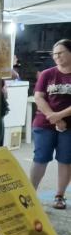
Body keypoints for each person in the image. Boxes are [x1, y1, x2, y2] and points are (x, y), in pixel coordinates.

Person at [30, 39, 71, 210]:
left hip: (69, 126)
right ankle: (29, 194)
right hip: (44, 123)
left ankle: (59, 196)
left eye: (60, 52)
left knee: (66, 160)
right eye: (54, 54)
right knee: (40, 158)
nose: (57, 56)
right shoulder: (47, 74)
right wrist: (53, 117)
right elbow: (39, 97)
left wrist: (59, 116)